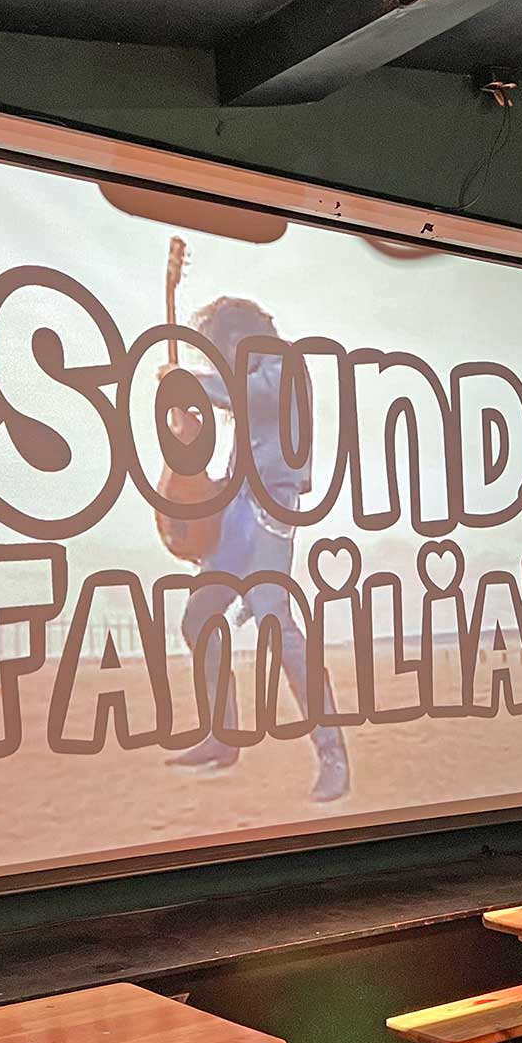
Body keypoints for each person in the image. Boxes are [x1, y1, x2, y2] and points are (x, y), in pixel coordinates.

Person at [163, 296, 351, 803]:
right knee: (200, 618)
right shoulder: (247, 377)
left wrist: (191, 383)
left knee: (275, 622)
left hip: (271, 507)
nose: (222, 357)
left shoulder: (284, 362)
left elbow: (253, 396)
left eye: (221, 347)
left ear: (238, 337)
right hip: (237, 509)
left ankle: (332, 755)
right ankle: (222, 737)